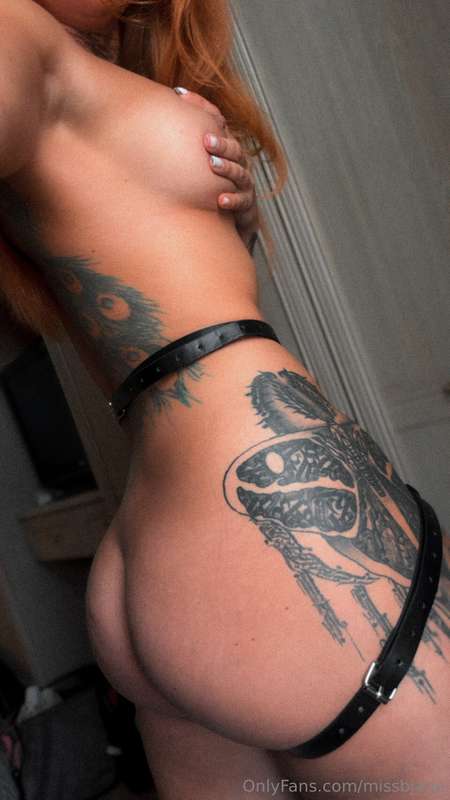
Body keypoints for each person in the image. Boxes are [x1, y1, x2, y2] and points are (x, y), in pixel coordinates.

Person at [0, 2, 448, 798]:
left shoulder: (82, 68)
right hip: (261, 528)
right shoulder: (16, 26)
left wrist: (225, 223)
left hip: (160, 552)